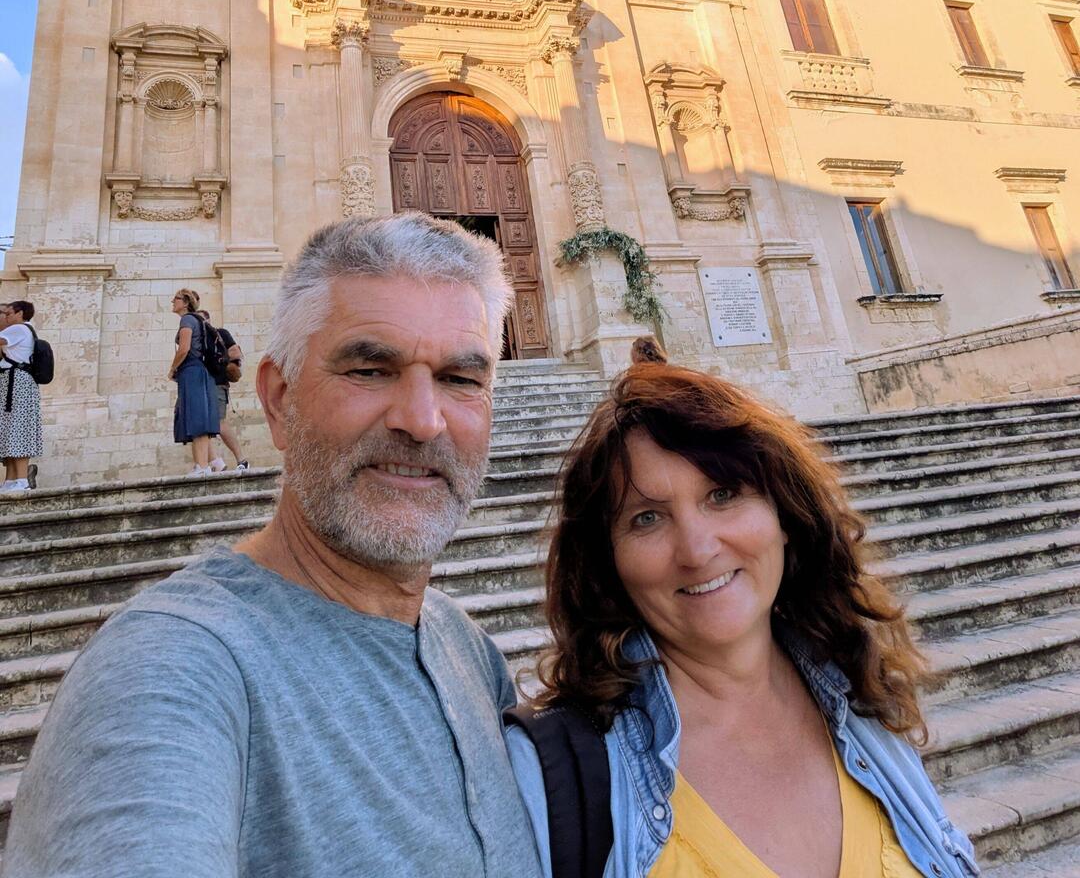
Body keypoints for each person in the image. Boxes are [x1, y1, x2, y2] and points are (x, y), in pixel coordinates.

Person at [7, 213, 544, 878]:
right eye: (371, 369)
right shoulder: (170, 672)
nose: (423, 419)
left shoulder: (465, 648)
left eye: (462, 379)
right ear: (278, 400)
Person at [507, 364, 979, 878]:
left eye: (723, 494)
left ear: (785, 515)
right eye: (646, 518)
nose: (697, 549)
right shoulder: (553, 776)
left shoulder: (860, 701)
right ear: (608, 565)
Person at [167, 288, 220, 477]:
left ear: (186, 302)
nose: (173, 301)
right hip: (199, 371)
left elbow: (184, 348)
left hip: (192, 371)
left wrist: (172, 368)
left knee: (196, 417)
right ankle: (212, 462)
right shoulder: (195, 319)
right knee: (199, 415)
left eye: (176, 298)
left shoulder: (187, 320)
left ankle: (202, 466)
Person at [197, 309, 249, 473]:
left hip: (218, 383)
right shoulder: (198, 340)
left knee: (219, 422)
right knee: (201, 425)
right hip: (201, 385)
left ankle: (242, 460)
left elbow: (235, 352)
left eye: (201, 320)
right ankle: (216, 463)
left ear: (208, 320)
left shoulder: (220, 333)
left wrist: (218, 362)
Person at [0, 301, 43, 498]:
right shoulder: (24, 330)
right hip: (13, 383)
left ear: (20, 313)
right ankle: (10, 480)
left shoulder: (18, 328)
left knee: (17, 429)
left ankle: (22, 480)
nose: (6, 317)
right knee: (10, 429)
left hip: (16, 384)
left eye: (8, 313)